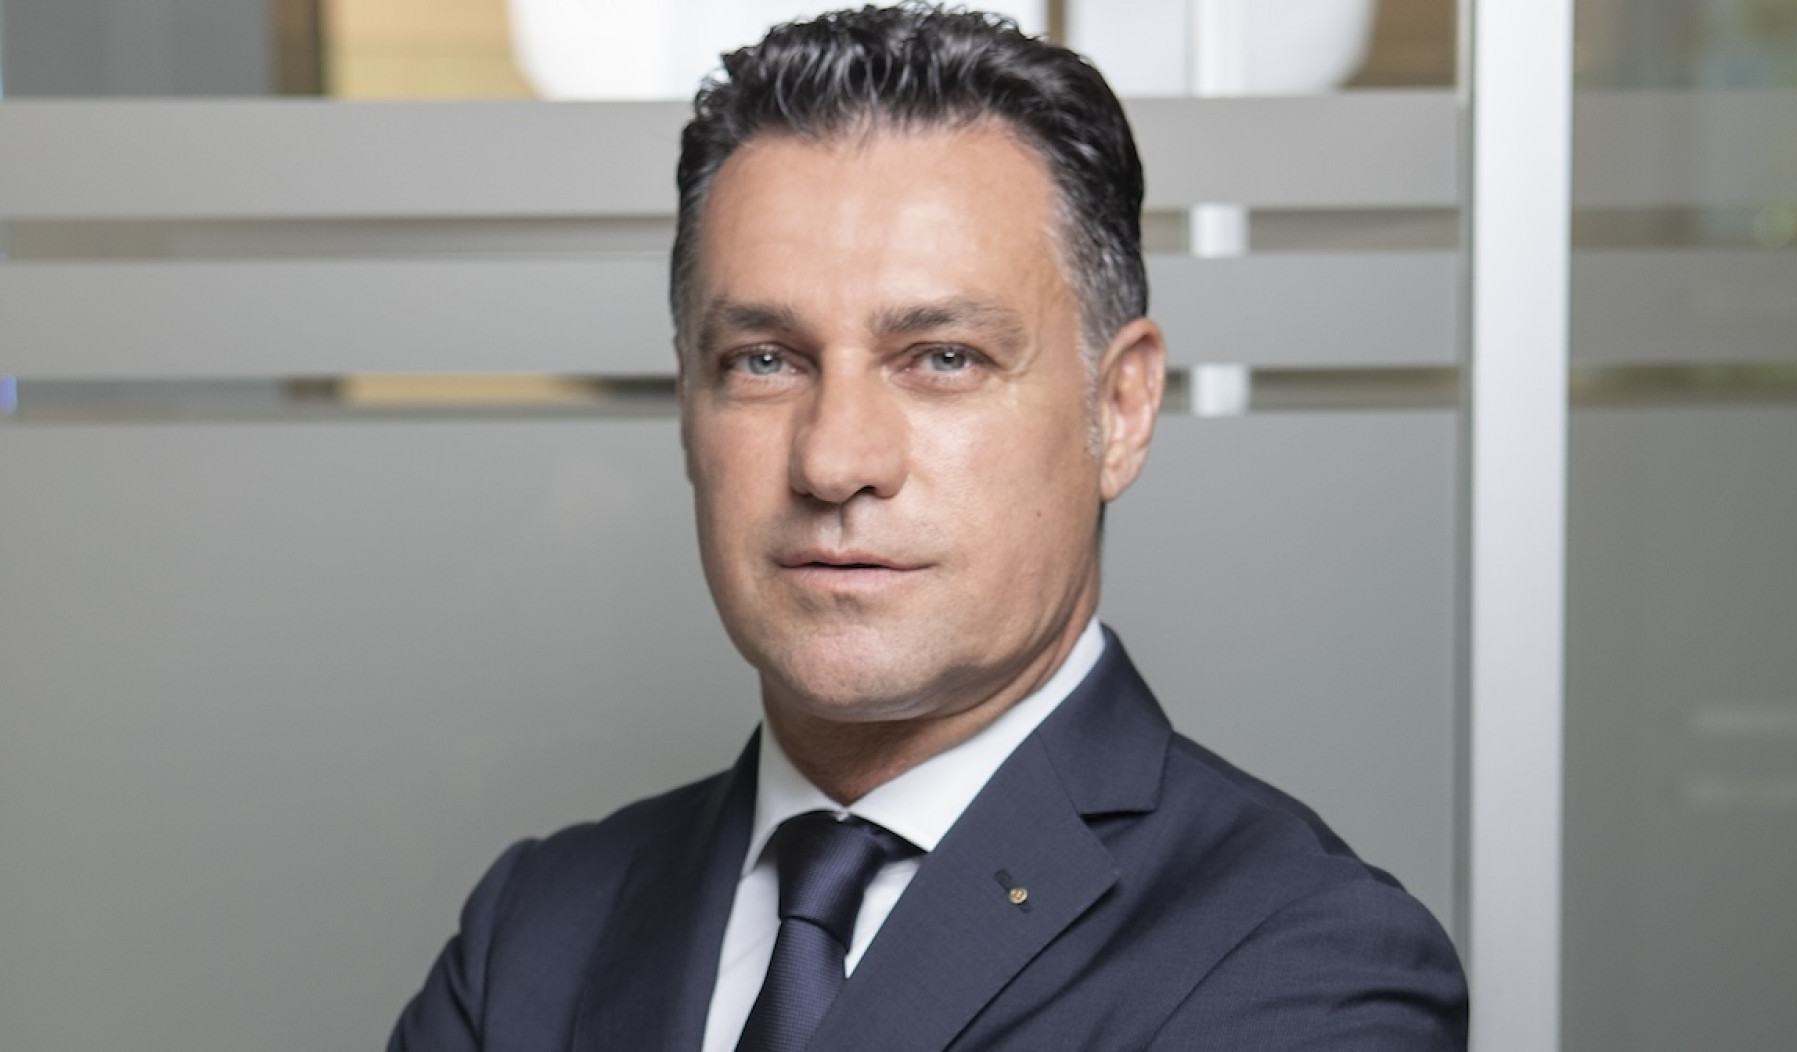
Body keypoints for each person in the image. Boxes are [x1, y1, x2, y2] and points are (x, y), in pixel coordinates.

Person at [389, 6, 1467, 1050]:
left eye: (944, 357)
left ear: (1121, 407)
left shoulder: (1300, 963)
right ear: (687, 409)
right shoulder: (536, 931)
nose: (833, 460)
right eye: (764, 360)